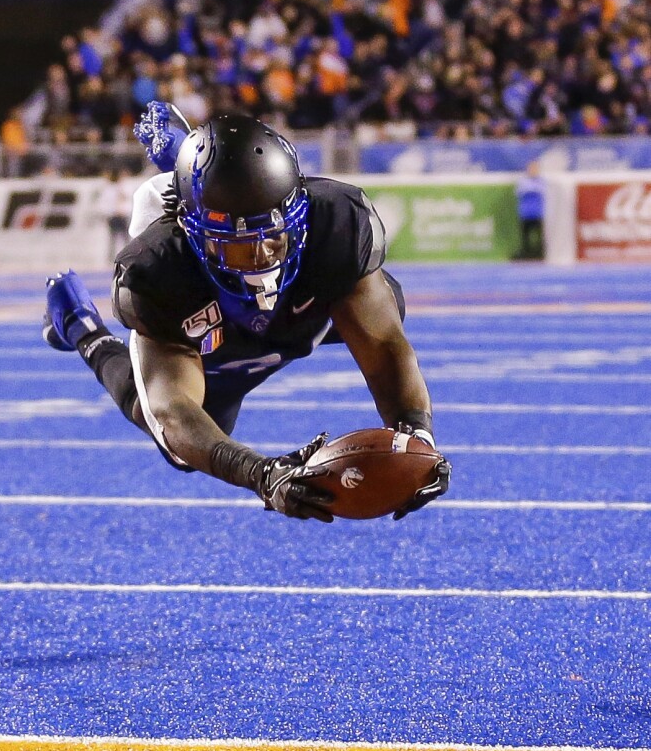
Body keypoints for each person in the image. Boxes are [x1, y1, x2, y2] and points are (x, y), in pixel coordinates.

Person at [43, 101, 451, 523]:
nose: (262, 259)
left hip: (301, 311)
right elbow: (174, 410)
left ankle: (191, 165)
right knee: (181, 444)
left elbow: (384, 345)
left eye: (274, 237)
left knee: (386, 306)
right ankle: (80, 325)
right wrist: (260, 474)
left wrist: (417, 436)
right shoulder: (158, 272)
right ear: (196, 237)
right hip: (218, 325)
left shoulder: (334, 226)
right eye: (237, 244)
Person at [514, 161, 545, 260]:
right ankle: (526, 253)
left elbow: (541, 191)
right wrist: (532, 190)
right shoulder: (523, 181)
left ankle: (539, 253)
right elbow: (520, 192)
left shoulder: (541, 181)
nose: (533, 171)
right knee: (525, 236)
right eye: (531, 169)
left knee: (539, 235)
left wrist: (531, 190)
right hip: (525, 213)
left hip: (537, 213)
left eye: (535, 169)